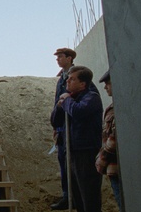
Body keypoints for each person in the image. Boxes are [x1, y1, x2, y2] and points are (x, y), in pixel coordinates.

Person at [52, 66, 103, 212]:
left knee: (89, 196)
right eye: (68, 78)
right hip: (72, 152)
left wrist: (67, 101)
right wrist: (60, 105)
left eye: (72, 79)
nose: (67, 81)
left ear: (83, 84)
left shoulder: (91, 97)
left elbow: (79, 111)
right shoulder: (70, 99)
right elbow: (55, 121)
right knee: (77, 196)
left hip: (86, 153)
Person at [49, 47, 77, 210]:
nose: (58, 59)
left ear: (69, 58)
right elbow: (56, 103)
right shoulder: (61, 79)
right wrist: (56, 124)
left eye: (61, 57)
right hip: (62, 126)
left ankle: (75, 197)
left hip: (72, 126)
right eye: (57, 57)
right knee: (63, 162)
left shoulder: (75, 76)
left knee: (72, 163)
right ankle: (67, 196)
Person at [95, 70, 124, 211]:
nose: (105, 87)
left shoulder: (120, 108)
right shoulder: (113, 107)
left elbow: (113, 141)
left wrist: (101, 160)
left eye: (108, 83)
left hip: (117, 166)